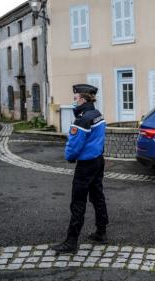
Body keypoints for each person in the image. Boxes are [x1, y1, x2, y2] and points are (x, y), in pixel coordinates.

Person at [52, 84, 109, 254]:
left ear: (82, 99)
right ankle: (101, 232)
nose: (74, 101)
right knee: (98, 196)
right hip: (98, 160)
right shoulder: (97, 114)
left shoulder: (82, 119)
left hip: (86, 165)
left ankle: (71, 242)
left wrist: (70, 157)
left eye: (75, 98)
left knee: (78, 201)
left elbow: (74, 146)